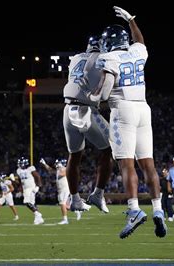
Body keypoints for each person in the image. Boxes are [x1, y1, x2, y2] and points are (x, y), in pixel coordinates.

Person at [91, 6, 167, 238]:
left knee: (126, 165)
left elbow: (105, 92)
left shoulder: (108, 57)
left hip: (122, 110)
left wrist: (93, 97)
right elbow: (140, 41)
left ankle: (134, 210)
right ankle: (158, 210)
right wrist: (132, 20)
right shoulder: (137, 53)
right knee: (149, 165)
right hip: (143, 109)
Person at [62, 33, 113, 214]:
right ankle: (98, 194)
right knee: (110, 148)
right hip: (85, 110)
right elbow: (105, 89)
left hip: (67, 111)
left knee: (74, 156)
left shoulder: (76, 58)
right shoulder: (102, 58)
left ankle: (75, 199)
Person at [40, 158, 84, 224]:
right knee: (65, 205)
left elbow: (62, 174)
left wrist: (60, 167)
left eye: (57, 163)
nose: (56, 164)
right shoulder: (59, 170)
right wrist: (44, 163)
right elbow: (50, 170)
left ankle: (65, 220)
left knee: (62, 203)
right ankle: (77, 210)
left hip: (64, 189)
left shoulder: (65, 169)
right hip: (61, 189)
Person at [15, 157, 44, 225]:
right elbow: (20, 182)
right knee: (32, 203)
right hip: (25, 188)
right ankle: (38, 219)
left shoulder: (30, 168)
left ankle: (38, 214)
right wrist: (19, 189)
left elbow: (37, 176)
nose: (19, 165)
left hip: (31, 187)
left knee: (26, 202)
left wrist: (38, 186)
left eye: (21, 163)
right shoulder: (18, 170)